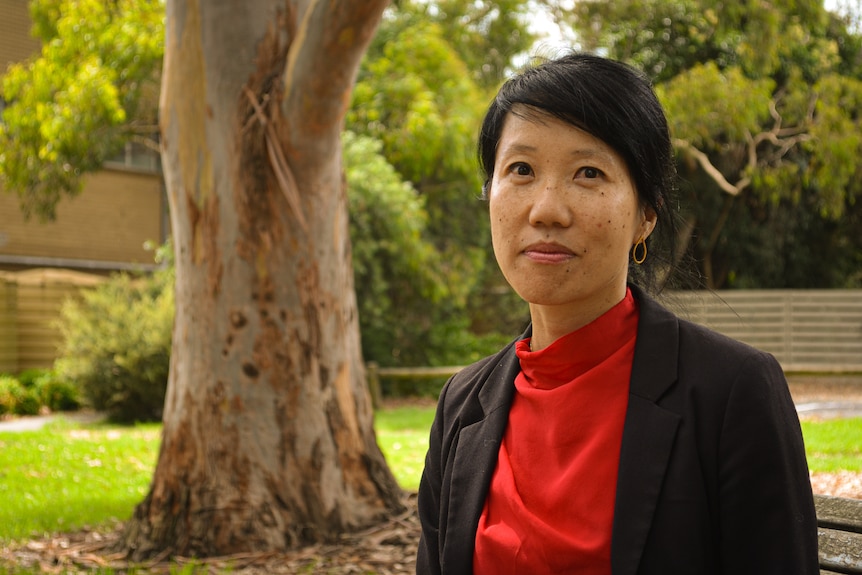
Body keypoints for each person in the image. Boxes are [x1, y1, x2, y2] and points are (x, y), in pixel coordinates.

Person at [415, 53, 819, 575]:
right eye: (521, 170)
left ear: (645, 216)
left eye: (588, 173)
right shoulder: (461, 406)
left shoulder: (731, 392)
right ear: (490, 192)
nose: (546, 210)